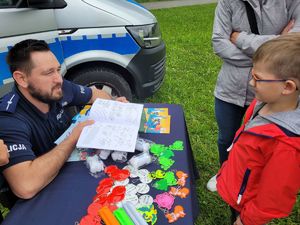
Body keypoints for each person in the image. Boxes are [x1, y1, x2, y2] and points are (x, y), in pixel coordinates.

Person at [0, 39, 127, 199]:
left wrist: (113, 105)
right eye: (48, 73)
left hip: (78, 169)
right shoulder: (8, 119)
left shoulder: (57, 87)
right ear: (21, 79)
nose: (58, 79)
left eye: (58, 70)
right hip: (45, 196)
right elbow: (26, 186)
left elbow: (97, 94)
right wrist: (73, 137)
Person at [207, 0, 300, 191]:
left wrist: (240, 38)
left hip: (272, 94)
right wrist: (277, 43)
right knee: (226, 138)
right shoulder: (227, 2)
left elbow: (295, 44)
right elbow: (219, 43)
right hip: (229, 89)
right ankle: (224, 173)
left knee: (262, 145)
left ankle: (253, 183)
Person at [216, 33, 300, 225]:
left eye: (257, 78)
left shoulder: (286, 146)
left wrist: (246, 220)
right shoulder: (262, 102)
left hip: (246, 204)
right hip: (237, 184)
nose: (251, 83)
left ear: (287, 87)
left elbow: (273, 199)